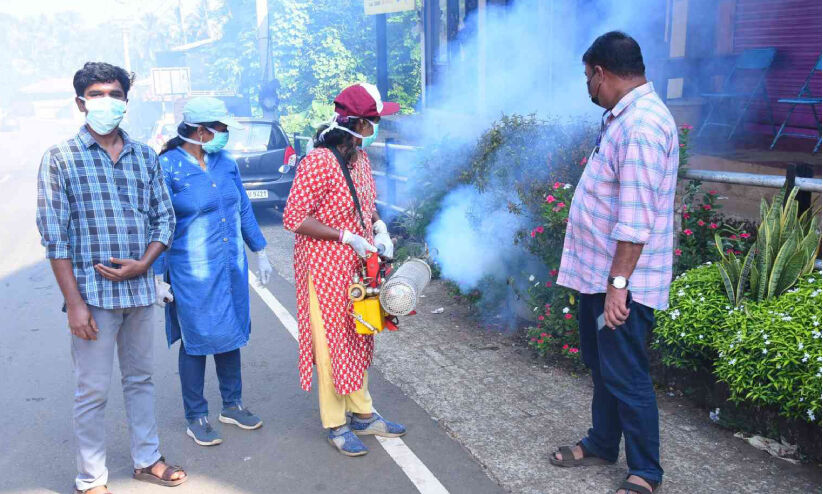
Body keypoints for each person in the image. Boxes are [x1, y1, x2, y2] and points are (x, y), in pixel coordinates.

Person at [36, 62, 187, 494]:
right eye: (98, 94)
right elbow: (55, 238)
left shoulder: (143, 156)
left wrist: (146, 264)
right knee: (93, 391)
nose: (108, 101)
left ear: (125, 100)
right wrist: (76, 305)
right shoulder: (60, 159)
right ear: (81, 102)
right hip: (93, 298)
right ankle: (91, 480)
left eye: (115, 93)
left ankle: (146, 459)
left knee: (141, 379)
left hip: (140, 291)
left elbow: (164, 218)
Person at [551, 32, 677, 494]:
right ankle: (603, 442)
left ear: (602, 72)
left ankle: (645, 472)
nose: (588, 87)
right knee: (603, 367)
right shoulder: (621, 118)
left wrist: (619, 284)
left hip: (623, 283)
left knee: (626, 374)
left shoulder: (642, 125)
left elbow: (636, 217)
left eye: (588, 77)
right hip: (599, 276)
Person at [282, 83, 402, 457]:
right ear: (360, 124)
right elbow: (293, 218)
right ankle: (336, 423)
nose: (380, 126)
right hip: (323, 268)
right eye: (376, 120)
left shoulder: (360, 159)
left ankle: (363, 414)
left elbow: (365, 203)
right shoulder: (318, 161)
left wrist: (378, 229)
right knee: (332, 344)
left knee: (360, 336)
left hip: (357, 267)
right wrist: (345, 236)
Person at [154, 97, 273, 446]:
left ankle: (232, 404)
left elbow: (244, 208)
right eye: (221, 129)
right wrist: (156, 276)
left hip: (230, 265)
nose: (226, 135)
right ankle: (197, 415)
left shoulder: (225, 163)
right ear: (201, 131)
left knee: (230, 331)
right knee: (196, 340)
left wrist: (261, 251)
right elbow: (159, 222)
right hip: (190, 271)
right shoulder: (167, 167)